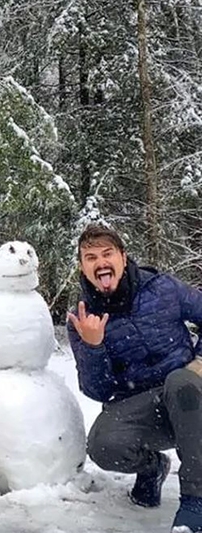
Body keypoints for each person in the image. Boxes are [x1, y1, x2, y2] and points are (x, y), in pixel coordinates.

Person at [67, 224, 202, 532]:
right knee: (102, 445)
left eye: (107, 253)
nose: (100, 262)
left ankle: (196, 500)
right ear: (83, 267)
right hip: (142, 406)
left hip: (190, 392)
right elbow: (97, 390)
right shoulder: (82, 317)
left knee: (181, 383)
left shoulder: (162, 287)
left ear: (123, 258)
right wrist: (94, 346)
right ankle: (153, 467)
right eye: (90, 257)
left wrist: (200, 361)